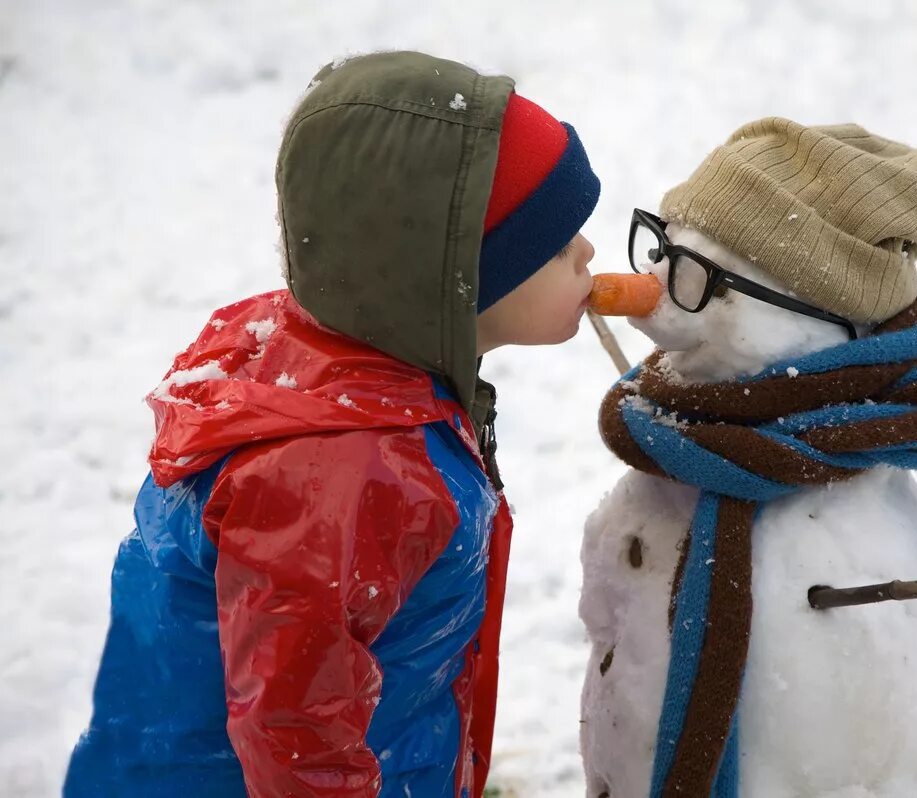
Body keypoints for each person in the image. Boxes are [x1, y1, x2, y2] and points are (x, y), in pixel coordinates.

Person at [64, 50, 601, 798]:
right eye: (555, 241)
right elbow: (294, 738)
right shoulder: (339, 469)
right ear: (456, 281)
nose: (589, 254)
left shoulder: (361, 370)